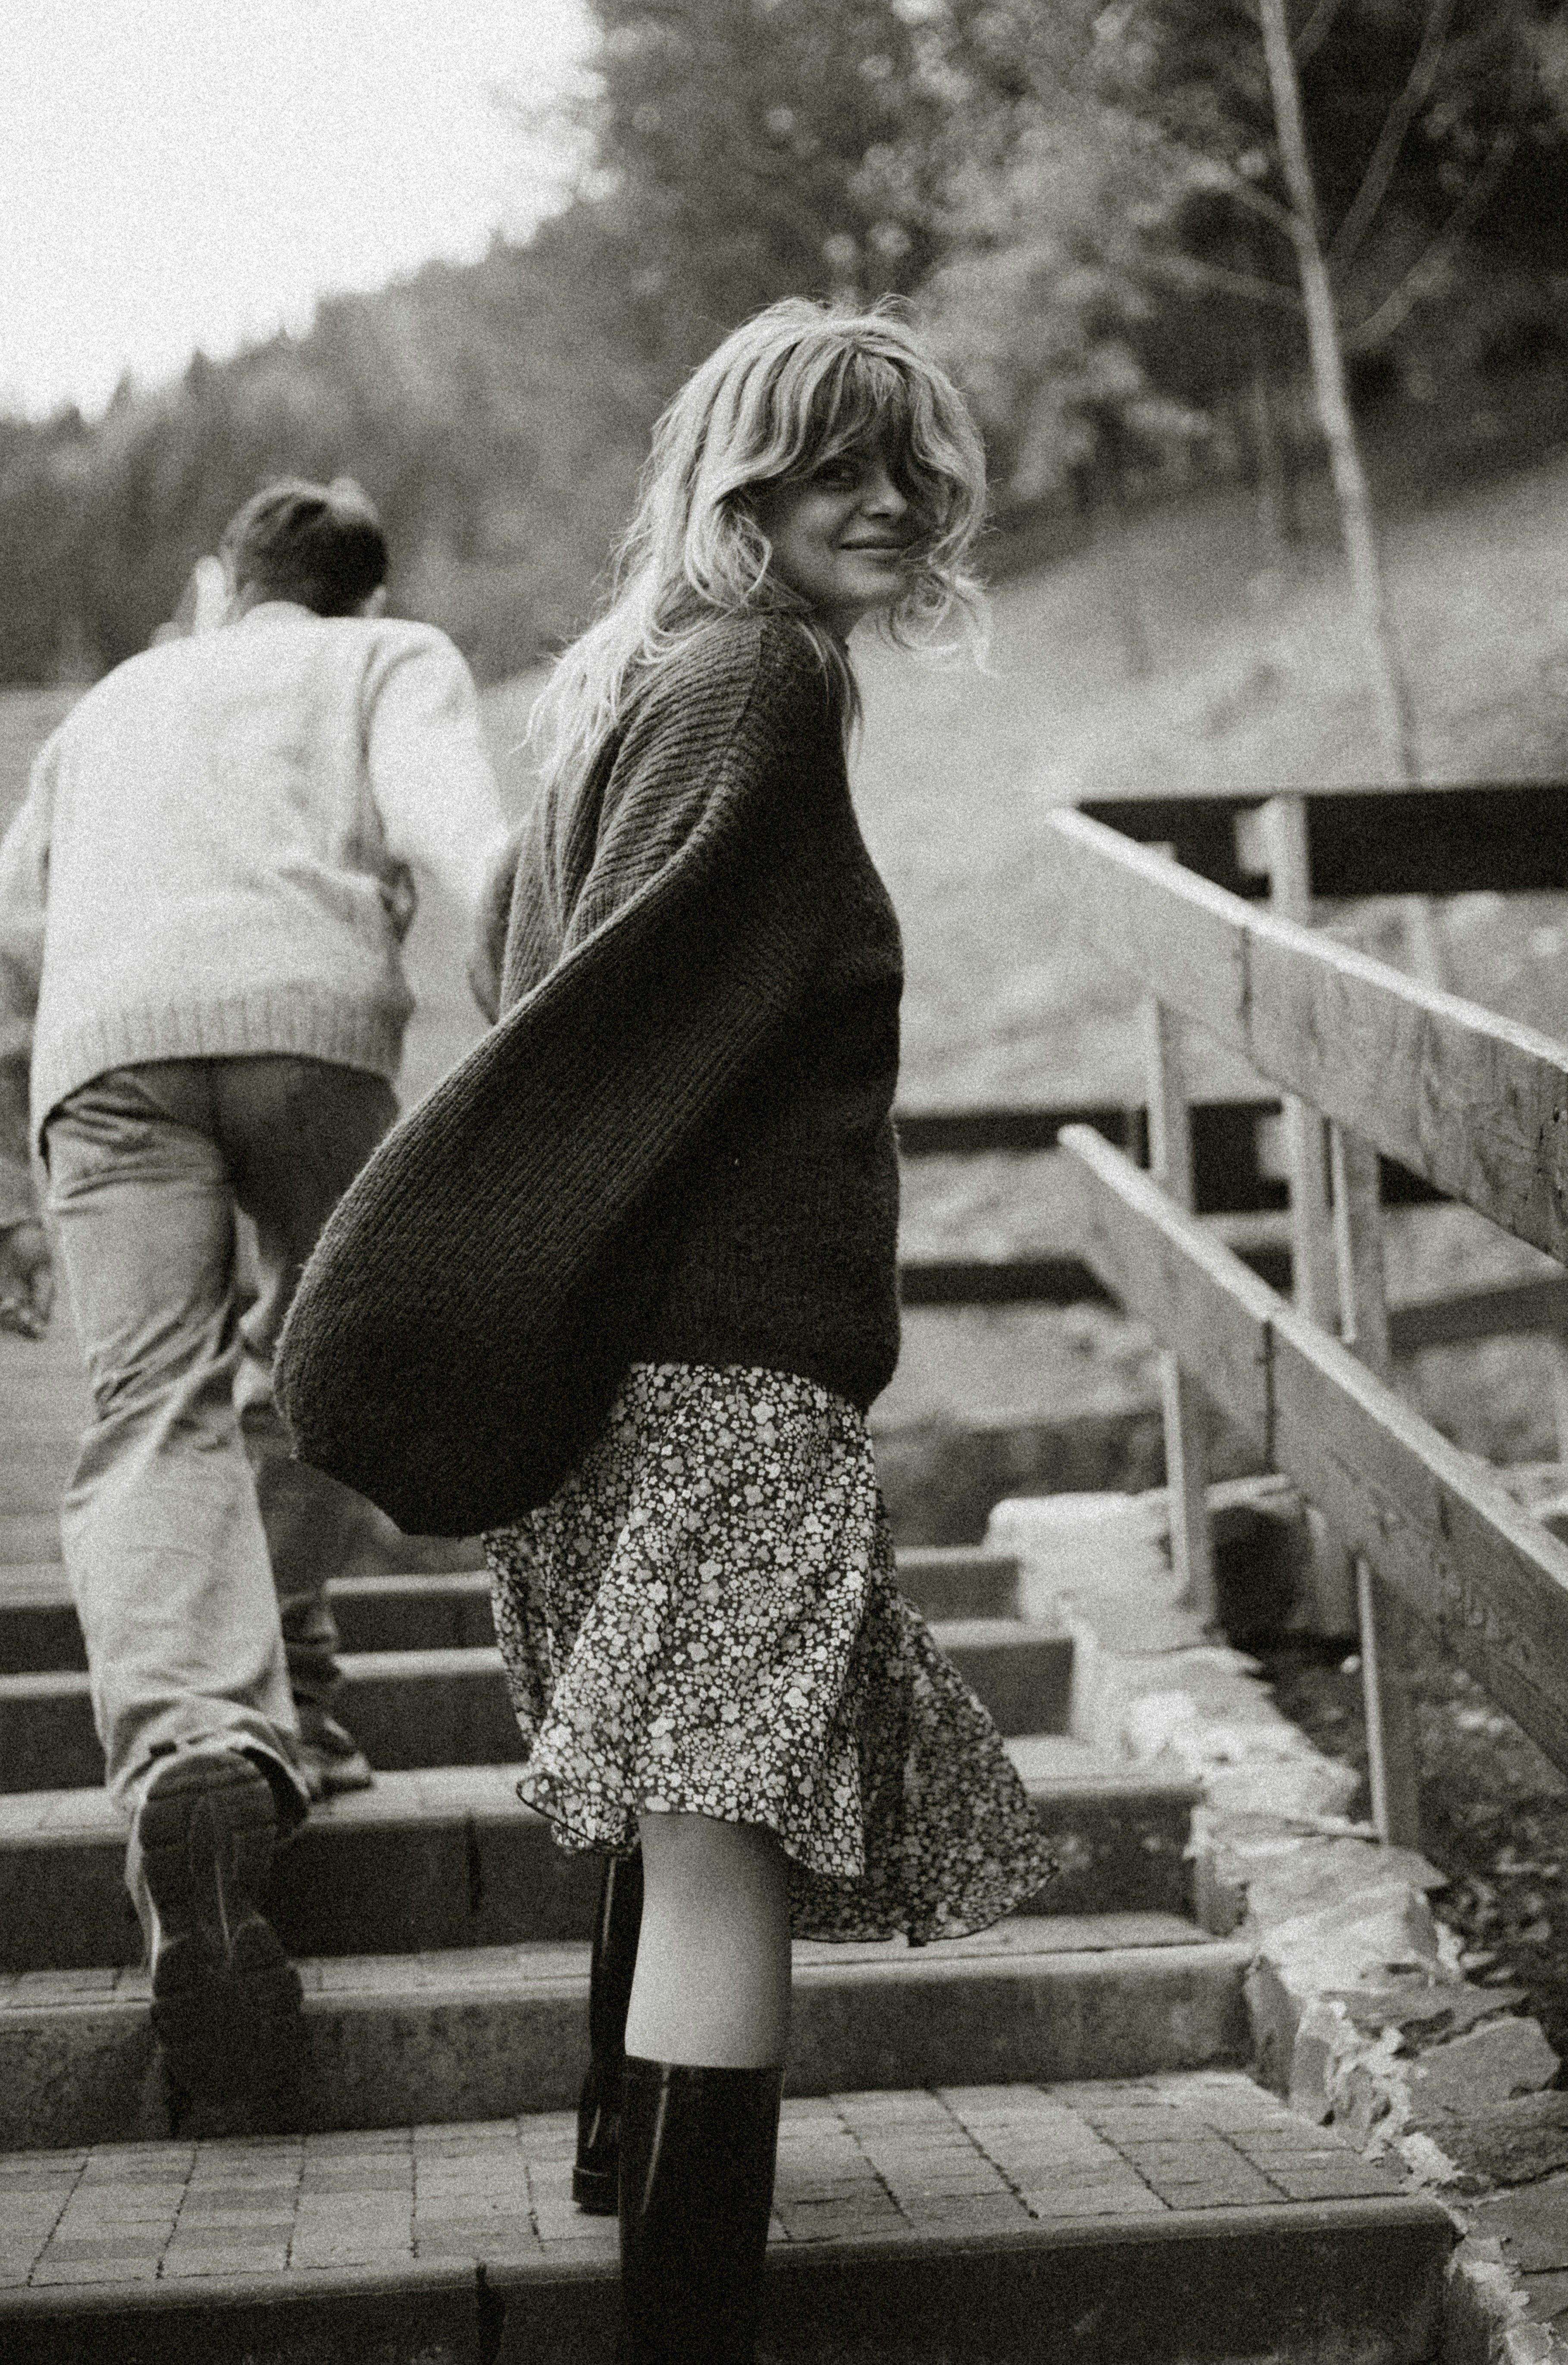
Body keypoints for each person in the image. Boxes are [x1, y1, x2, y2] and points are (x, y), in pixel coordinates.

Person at [275, 305, 1055, 2362]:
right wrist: (436, 1265)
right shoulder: (757, 681)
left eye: (906, 463)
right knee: (724, 1849)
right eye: (829, 467)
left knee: (683, 1805)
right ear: (739, 487)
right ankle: (683, 2323)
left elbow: (532, 974)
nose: (885, 501)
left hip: (633, 1371)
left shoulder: (638, 682)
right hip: (718, 1376)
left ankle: (627, 2182)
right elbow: (602, 1024)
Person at [0, 477, 509, 2130]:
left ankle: (204, 1748)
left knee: (149, 1404)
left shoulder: (114, 700)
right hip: (309, 1029)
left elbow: (9, 933)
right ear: (367, 597)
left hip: (101, 1060)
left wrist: (6, 1183)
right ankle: (285, 1675)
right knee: (330, 1355)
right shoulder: (386, 660)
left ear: (222, 582)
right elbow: (463, 836)